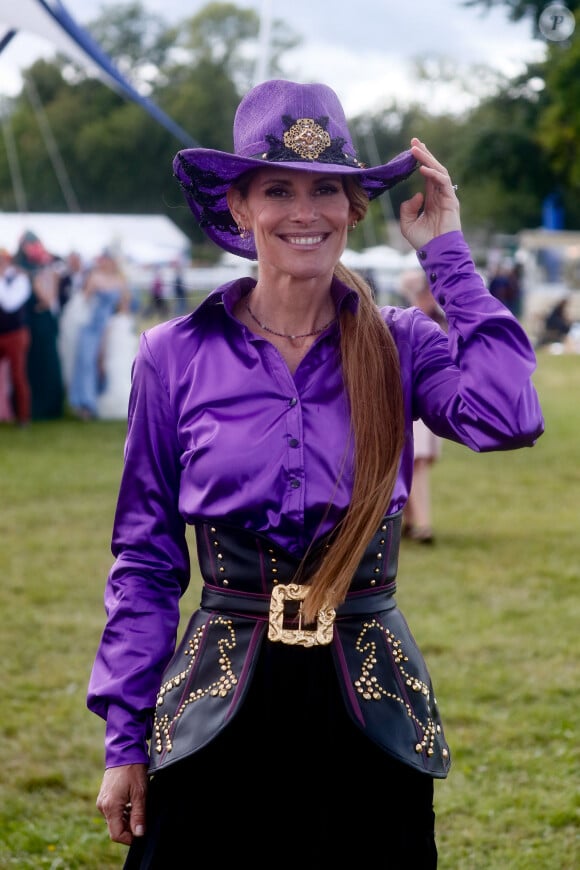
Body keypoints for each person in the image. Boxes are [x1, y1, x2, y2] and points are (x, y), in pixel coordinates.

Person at [87, 79, 544, 868]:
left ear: (354, 207)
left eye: (326, 190)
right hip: (215, 704)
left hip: (368, 706)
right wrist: (124, 739)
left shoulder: (401, 343)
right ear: (238, 208)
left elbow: (508, 416)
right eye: (278, 189)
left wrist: (449, 255)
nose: (306, 212)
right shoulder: (175, 354)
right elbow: (147, 560)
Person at [400, 269, 447, 544]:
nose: (427, 297)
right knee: (409, 464)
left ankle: (419, 522)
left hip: (421, 406)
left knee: (415, 464)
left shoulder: (436, 324)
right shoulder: (403, 322)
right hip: (407, 403)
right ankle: (417, 521)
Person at [68, 251, 131, 420]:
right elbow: (83, 301)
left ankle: (99, 400)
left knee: (105, 364)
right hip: (91, 326)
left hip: (108, 327)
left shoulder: (119, 281)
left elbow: (124, 306)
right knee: (86, 363)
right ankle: (85, 404)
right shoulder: (94, 277)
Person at [13, 231, 64, 420]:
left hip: (45, 321)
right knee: (32, 363)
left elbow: (49, 300)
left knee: (47, 362)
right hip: (31, 322)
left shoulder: (45, 268)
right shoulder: (20, 269)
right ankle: (36, 407)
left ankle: (50, 406)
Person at [0, 247, 32, 426]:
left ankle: (23, 417)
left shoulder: (19, 278)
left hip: (15, 334)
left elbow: (9, 304)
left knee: (17, 375)